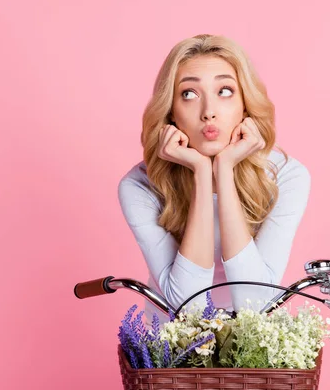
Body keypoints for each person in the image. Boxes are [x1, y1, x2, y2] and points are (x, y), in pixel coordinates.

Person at [117, 34, 311, 324]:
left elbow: (256, 302)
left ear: (245, 105)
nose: (209, 112)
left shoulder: (285, 176)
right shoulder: (140, 186)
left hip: (253, 346)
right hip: (171, 350)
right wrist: (202, 174)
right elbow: (188, 307)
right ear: (170, 112)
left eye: (225, 91)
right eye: (189, 94)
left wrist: (225, 168)